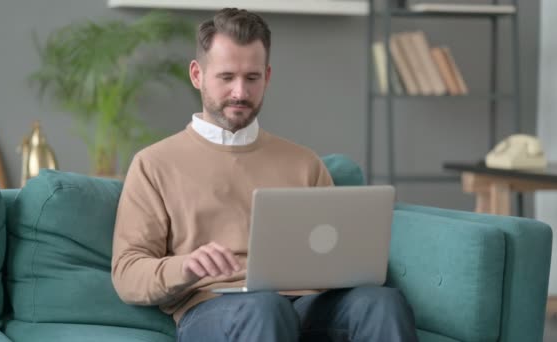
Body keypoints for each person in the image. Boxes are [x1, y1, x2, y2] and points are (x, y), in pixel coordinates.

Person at [111, 8, 418, 342]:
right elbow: (127, 273)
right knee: (266, 308)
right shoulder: (154, 163)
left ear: (267, 77)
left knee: (381, 302)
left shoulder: (304, 162)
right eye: (227, 77)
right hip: (215, 308)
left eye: (252, 78)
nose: (241, 93)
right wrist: (185, 266)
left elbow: (341, 255)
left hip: (306, 303)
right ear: (197, 75)